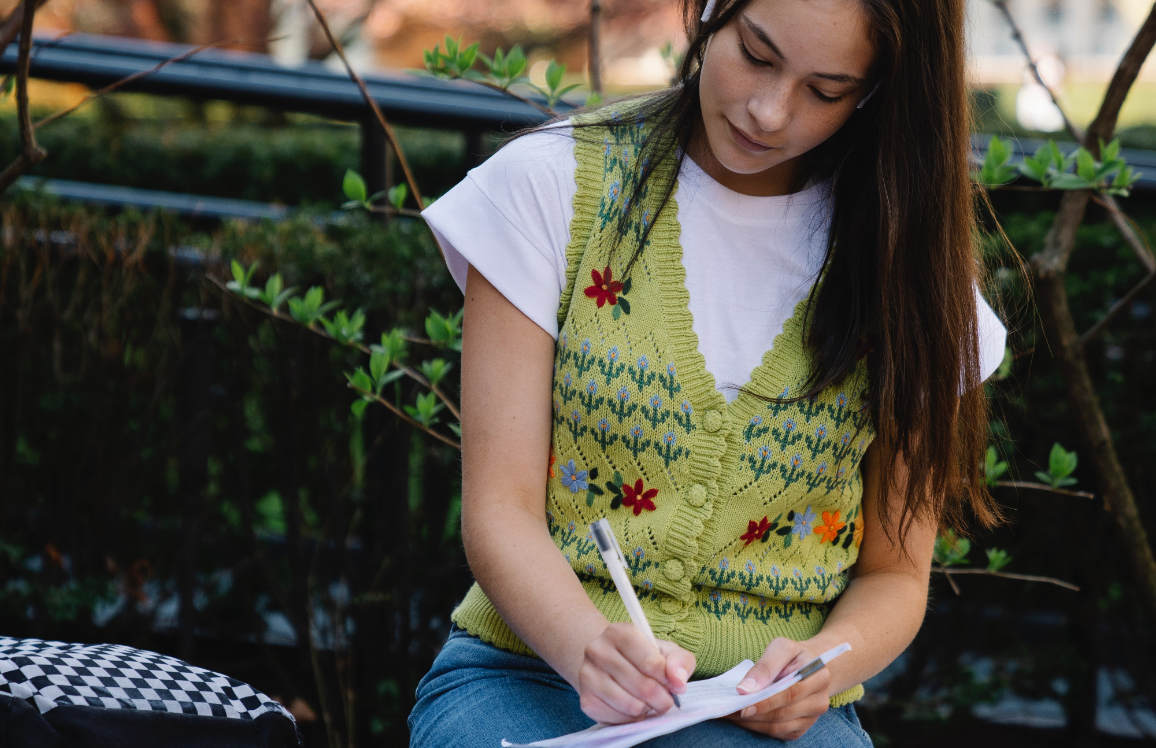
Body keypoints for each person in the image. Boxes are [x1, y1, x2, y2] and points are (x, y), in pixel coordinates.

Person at [408, 0, 1007, 745]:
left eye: (825, 91)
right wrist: (586, 648)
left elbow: (895, 577)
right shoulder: (551, 187)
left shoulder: (911, 276)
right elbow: (501, 513)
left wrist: (815, 667)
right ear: (713, 13)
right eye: (756, 54)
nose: (767, 110)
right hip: (529, 672)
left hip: (770, 717)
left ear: (880, 92)